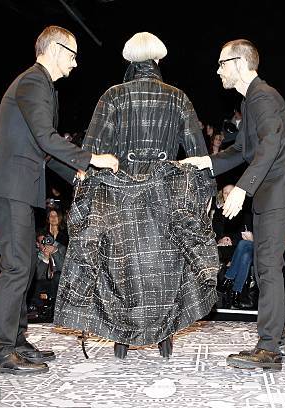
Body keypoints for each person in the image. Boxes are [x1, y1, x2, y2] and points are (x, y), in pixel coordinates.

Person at [54, 32, 218, 361]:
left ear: (130, 60)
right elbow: (199, 156)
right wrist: (205, 197)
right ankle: (165, 337)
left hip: (119, 195)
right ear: (158, 60)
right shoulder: (178, 98)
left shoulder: (113, 96)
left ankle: (122, 341)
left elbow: (91, 152)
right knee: (165, 266)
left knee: (123, 269)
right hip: (166, 194)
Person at [0, 26, 119, 376]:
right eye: (73, 56)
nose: (74, 65)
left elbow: (42, 147)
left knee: (22, 265)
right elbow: (46, 137)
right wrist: (91, 158)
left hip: (18, 187)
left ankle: (16, 339)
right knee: (16, 267)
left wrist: (77, 173)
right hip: (10, 185)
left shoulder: (42, 86)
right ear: (56, 49)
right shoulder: (33, 82)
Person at [181, 39, 285, 370]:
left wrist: (241, 188)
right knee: (265, 265)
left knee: (267, 266)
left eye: (222, 63)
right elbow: (241, 150)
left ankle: (269, 349)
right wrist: (205, 162)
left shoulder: (262, 96)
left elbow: (271, 144)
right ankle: (277, 339)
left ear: (240, 62)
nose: (218, 69)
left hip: (277, 190)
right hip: (271, 191)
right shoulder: (252, 99)